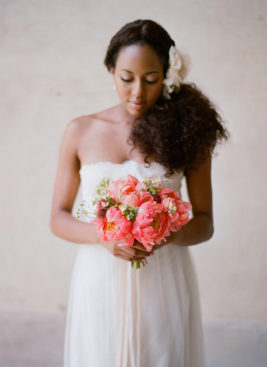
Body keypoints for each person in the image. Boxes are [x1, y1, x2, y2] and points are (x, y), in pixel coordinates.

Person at [50, 19, 228, 367]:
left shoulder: (189, 133)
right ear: (111, 70)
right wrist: (103, 236)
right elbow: (57, 217)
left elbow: (205, 224)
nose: (137, 92)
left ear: (167, 75)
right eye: (126, 78)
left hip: (163, 278)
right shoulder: (80, 130)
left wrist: (166, 232)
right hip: (99, 274)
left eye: (151, 80)